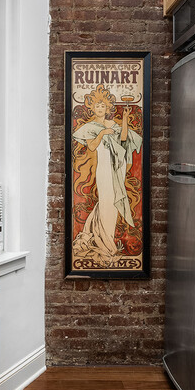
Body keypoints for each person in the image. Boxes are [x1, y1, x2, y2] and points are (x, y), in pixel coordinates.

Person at [71, 84, 142, 266]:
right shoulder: (90, 127)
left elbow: (124, 139)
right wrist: (102, 132)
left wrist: (125, 118)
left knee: (113, 204)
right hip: (102, 170)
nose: (100, 108)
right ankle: (107, 246)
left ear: (108, 108)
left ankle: (104, 240)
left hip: (115, 170)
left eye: (103, 106)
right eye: (97, 106)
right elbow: (92, 147)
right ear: (92, 107)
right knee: (106, 203)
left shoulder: (113, 125)